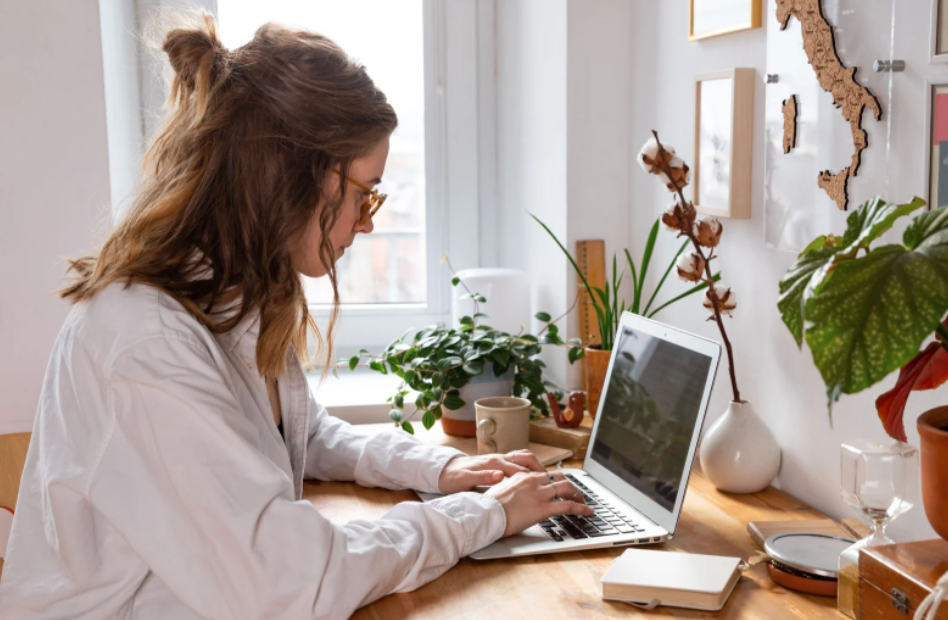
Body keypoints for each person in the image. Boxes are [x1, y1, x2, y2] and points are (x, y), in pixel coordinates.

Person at [0, 13, 592, 620]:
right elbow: (293, 583)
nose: (368, 223)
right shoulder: (144, 343)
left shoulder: (239, 293)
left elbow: (299, 435)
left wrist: (446, 469)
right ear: (293, 175)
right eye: (365, 194)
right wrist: (485, 515)